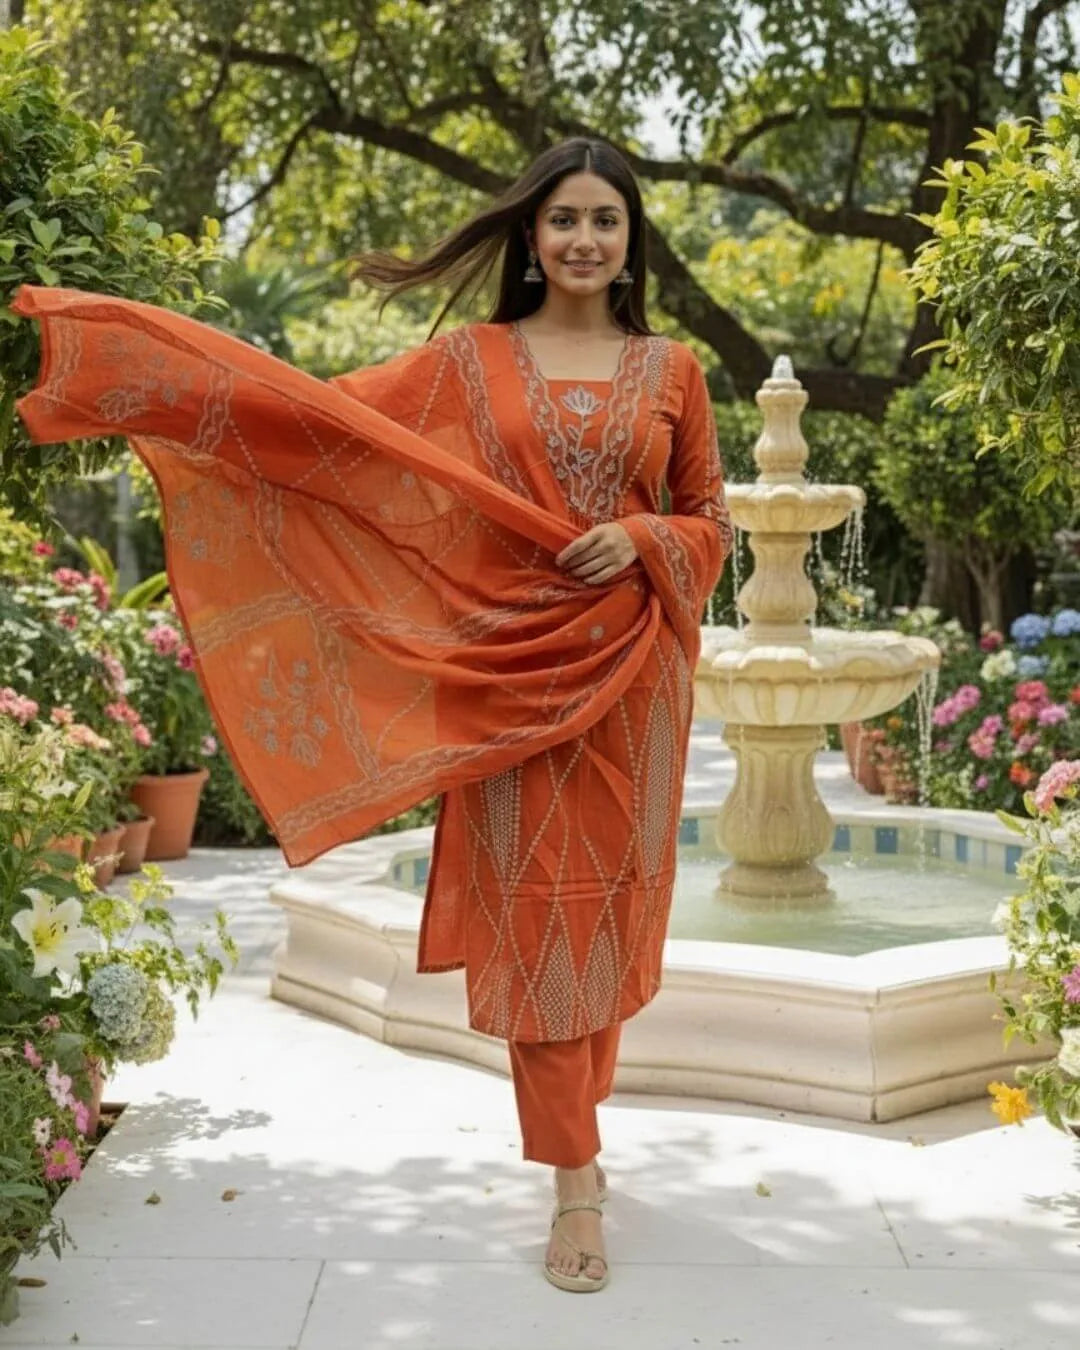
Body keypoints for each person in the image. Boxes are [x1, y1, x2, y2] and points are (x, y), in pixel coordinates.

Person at [13, 136, 733, 1295]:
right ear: (530, 238)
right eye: (565, 221)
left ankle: (576, 1126)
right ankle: (575, 1176)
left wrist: (649, 539)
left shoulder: (674, 372)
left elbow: (710, 515)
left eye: (607, 220)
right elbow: (331, 429)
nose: (586, 239)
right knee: (536, 919)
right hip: (503, 675)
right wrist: (156, 378)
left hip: (634, 682)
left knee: (606, 918)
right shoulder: (468, 361)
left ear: (632, 239)